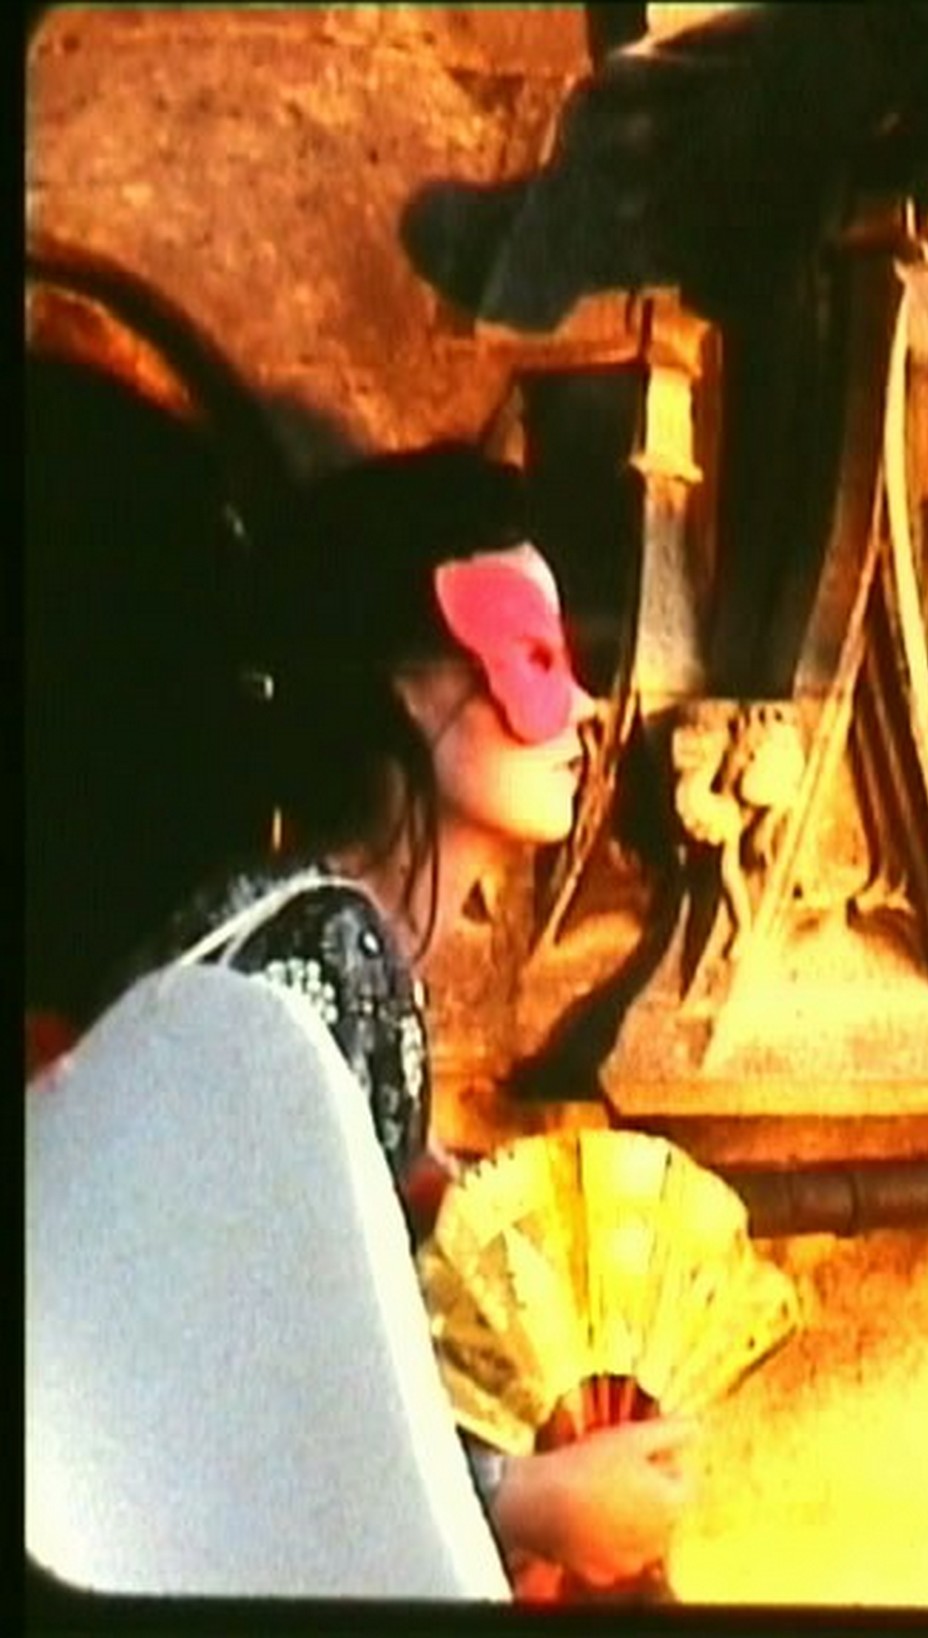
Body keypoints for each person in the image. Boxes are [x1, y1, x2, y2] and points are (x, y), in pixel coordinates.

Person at [116, 442, 694, 1592]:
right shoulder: (329, 951)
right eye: (533, 658)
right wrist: (528, 1500)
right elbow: (241, 1377)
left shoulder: (312, 927)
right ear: (406, 681)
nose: (585, 710)